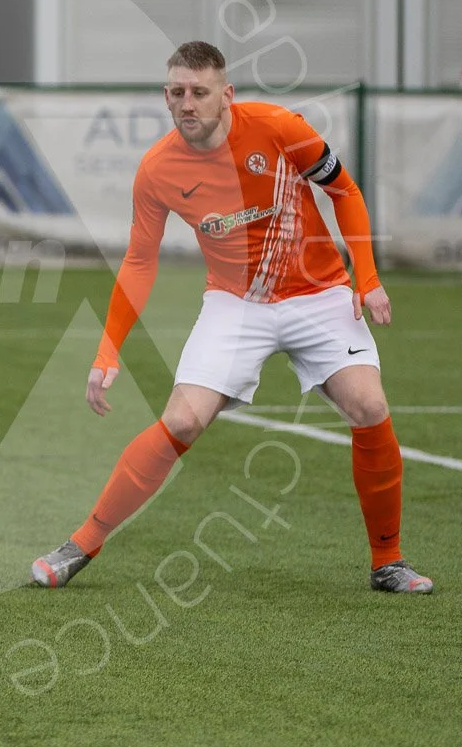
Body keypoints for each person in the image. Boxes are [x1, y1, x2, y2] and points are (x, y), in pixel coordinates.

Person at [31, 40, 433, 595]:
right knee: (181, 422)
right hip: (234, 304)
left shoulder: (278, 127)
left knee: (369, 407)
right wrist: (108, 349)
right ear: (165, 97)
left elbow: (344, 190)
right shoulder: (156, 169)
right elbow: (139, 260)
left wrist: (367, 278)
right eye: (177, 92)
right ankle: (81, 544)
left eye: (199, 92)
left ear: (227, 95)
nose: (187, 103)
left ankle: (387, 561)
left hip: (319, 295)